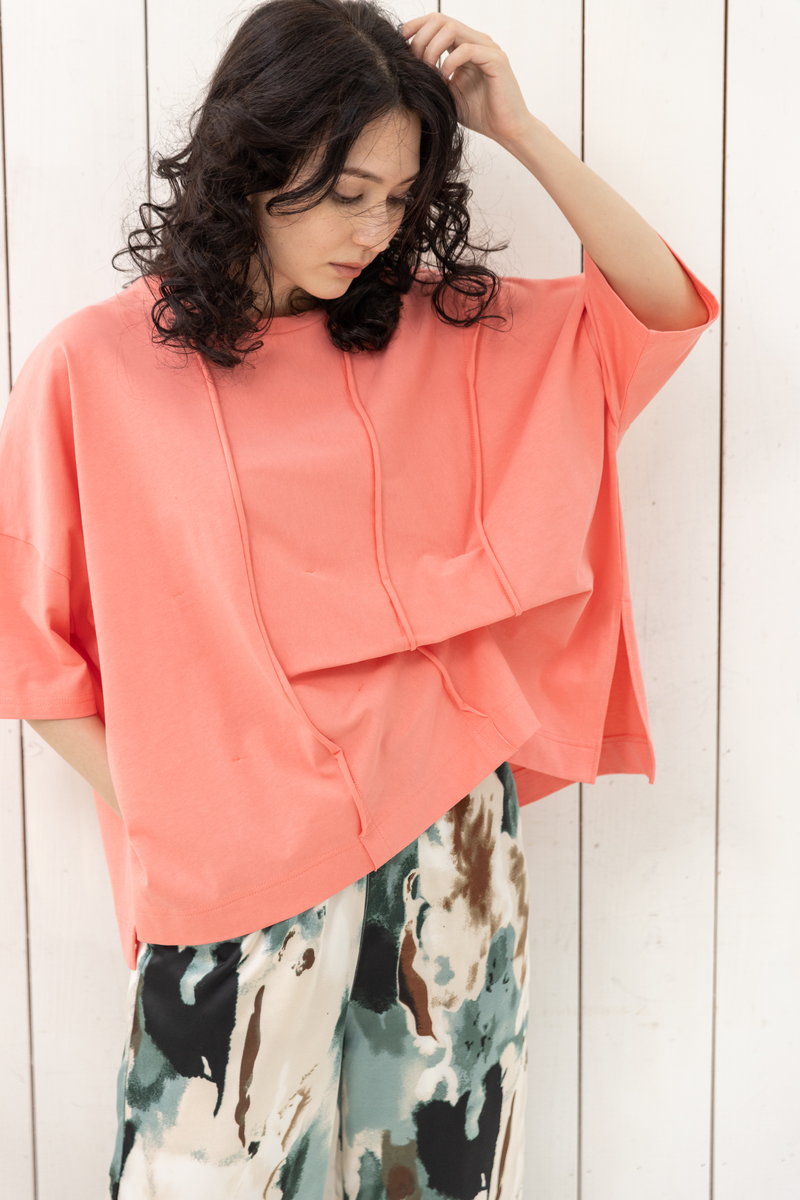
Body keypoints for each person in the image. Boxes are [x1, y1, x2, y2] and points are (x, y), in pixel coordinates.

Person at [0, 1, 719, 1196]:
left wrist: (517, 129)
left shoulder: (435, 330)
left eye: (396, 197)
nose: (373, 229)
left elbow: (656, 311)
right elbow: (29, 655)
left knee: (438, 1177)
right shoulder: (94, 368)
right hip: (234, 855)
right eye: (345, 192)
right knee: (197, 1175)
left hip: (445, 829)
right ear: (253, 161)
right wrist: (179, 806)